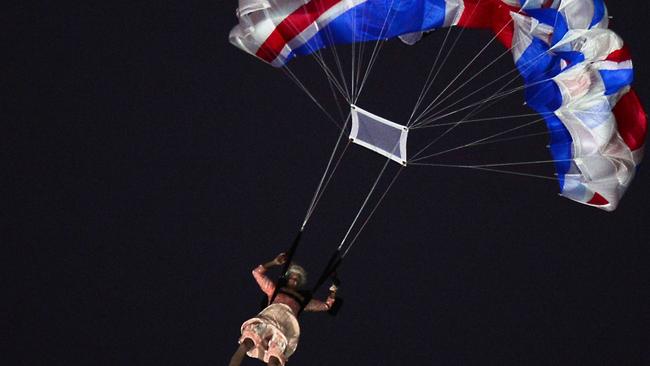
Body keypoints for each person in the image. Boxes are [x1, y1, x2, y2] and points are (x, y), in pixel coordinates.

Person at [228, 253, 338, 366]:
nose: (294, 281)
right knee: (246, 344)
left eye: (297, 279)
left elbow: (326, 305)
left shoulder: (301, 300)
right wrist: (274, 262)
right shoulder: (274, 290)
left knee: (273, 361)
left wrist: (334, 290)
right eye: (293, 278)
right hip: (268, 319)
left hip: (285, 328)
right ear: (288, 278)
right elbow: (256, 272)